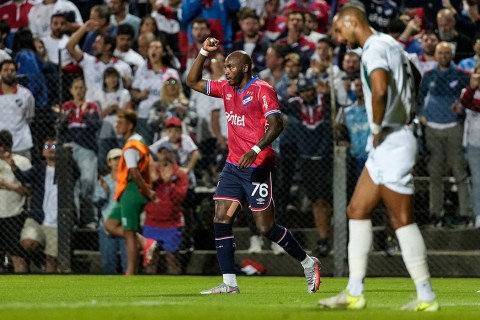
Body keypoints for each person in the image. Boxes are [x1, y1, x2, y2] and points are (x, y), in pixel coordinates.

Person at [319, 5, 439, 311]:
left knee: (401, 220)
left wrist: (375, 126)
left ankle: (426, 296)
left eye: (338, 30)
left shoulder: (373, 48)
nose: (339, 37)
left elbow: (381, 88)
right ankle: (354, 292)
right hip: (393, 138)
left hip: (390, 139)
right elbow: (412, 75)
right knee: (357, 209)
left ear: (351, 22)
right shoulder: (390, 43)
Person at [186, 37, 320, 294]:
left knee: (265, 227)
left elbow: (278, 123)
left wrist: (256, 149)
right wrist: (203, 51)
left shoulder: (262, 89)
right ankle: (229, 283)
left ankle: (307, 261)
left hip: (258, 164)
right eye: (225, 67)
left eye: (230, 67)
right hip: (234, 165)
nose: (226, 71)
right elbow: (191, 81)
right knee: (221, 217)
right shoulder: (226, 88)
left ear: (244, 68)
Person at [417, 41, 471, 226]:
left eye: (447, 53)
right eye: (440, 53)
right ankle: (435, 213)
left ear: (452, 55)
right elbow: (419, 98)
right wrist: (420, 115)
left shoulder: (462, 76)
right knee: (435, 173)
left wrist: (462, 110)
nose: (443, 56)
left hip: (454, 127)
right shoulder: (428, 75)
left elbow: (470, 98)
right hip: (432, 128)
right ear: (436, 55)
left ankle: (465, 212)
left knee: (459, 171)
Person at [104, 109, 158, 275]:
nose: (117, 125)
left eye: (121, 122)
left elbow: (134, 173)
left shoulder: (131, 147)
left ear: (130, 124)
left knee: (128, 233)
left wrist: (147, 192)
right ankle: (144, 241)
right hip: (128, 191)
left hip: (132, 191)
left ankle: (130, 272)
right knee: (110, 224)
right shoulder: (139, 141)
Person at [143, 140, 189, 275]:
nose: (165, 155)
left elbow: (180, 198)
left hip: (172, 223)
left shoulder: (180, 174)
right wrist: (156, 180)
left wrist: (170, 182)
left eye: (167, 152)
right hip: (151, 221)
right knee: (151, 259)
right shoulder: (152, 172)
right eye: (161, 152)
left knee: (172, 258)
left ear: (173, 154)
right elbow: (144, 192)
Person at [0, 130, 31, 273]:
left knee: (17, 256)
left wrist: (8, 185)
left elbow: (29, 191)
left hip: (14, 214)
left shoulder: (21, 162)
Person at [94, 148, 126, 274]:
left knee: (128, 264)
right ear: (109, 162)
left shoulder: (130, 180)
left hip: (125, 224)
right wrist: (105, 192)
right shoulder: (103, 181)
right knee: (108, 264)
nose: (118, 161)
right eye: (115, 159)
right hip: (107, 224)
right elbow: (97, 203)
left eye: (120, 158)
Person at [459, 64, 480, 229]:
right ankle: (478, 215)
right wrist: (472, 88)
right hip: (475, 144)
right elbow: (466, 103)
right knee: (477, 181)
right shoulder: (467, 92)